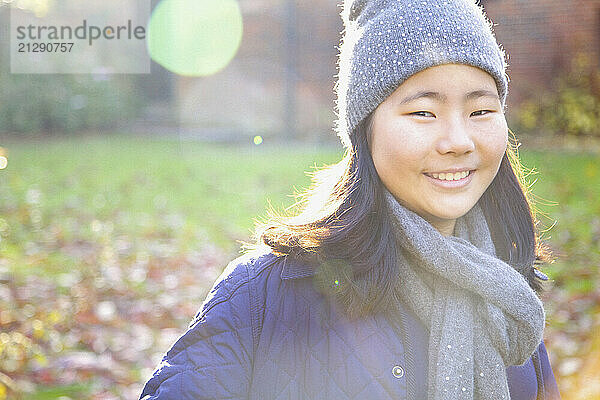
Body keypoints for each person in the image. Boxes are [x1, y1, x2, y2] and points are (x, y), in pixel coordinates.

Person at [139, 0, 562, 398]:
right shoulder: (262, 298)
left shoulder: (510, 303)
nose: (458, 141)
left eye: (481, 111)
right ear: (365, 130)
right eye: (423, 113)